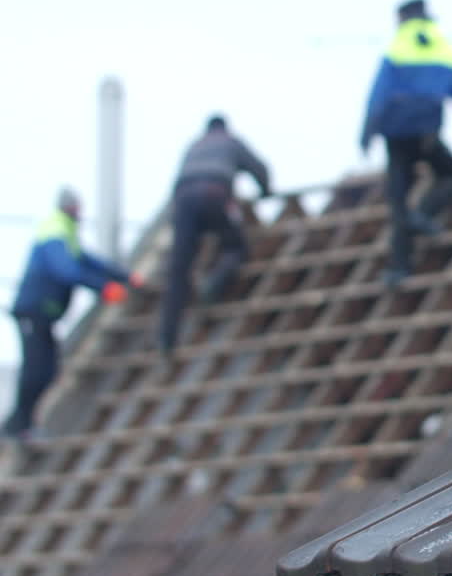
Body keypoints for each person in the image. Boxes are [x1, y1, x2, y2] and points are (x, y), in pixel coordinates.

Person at [360, 0, 452, 289]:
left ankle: (399, 267)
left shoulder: (397, 46)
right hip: (426, 132)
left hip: (395, 132)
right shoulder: (443, 47)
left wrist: (367, 133)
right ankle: (422, 215)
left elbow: (378, 96)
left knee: (398, 198)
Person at [7, 188, 138, 439]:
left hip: (44, 314)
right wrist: (103, 287)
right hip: (33, 311)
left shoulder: (66, 232)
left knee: (49, 369)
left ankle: (19, 424)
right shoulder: (56, 230)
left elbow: (88, 261)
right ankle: (19, 426)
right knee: (36, 369)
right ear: (70, 207)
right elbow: (67, 270)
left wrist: (124, 276)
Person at [159, 114, 271, 354]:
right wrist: (266, 191)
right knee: (236, 246)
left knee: (179, 269)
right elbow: (259, 169)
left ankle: (167, 338)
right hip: (214, 194)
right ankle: (213, 283)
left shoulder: (195, 145)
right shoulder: (230, 141)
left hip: (183, 202)